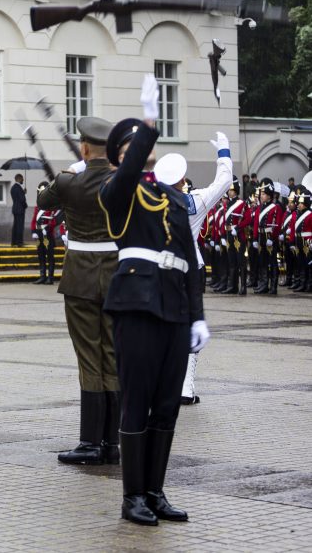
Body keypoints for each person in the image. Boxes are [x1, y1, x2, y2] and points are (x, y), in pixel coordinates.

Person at [99, 74, 209, 526]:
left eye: (142, 148)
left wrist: (198, 317)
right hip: (137, 305)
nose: (140, 156)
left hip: (174, 309)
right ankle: (132, 498)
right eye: (130, 152)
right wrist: (147, 123)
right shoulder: (117, 193)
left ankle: (155, 490)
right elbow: (125, 173)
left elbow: (193, 262)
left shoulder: (176, 200)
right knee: (137, 400)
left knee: (166, 404)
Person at [37, 116, 120, 467]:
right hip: (117, 277)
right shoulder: (123, 182)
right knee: (113, 356)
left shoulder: (69, 181)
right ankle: (112, 443)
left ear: (84, 147)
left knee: (89, 359)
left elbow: (43, 200)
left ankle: (90, 443)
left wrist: (67, 174)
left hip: (82, 279)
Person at [153, 133, 232, 408]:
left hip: (159, 270)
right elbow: (224, 184)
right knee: (189, 328)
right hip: (190, 269)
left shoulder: (150, 202)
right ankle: (185, 387)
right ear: (182, 179)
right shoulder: (194, 202)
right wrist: (223, 154)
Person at [253, 178, 284, 294]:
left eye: (264, 194)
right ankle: (264, 284)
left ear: (270, 196)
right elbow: (256, 224)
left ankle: (273, 286)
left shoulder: (276, 208)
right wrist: (255, 238)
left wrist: (272, 238)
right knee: (262, 261)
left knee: (272, 261)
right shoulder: (259, 208)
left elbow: (277, 225)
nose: (261, 196)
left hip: (270, 237)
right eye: (261, 193)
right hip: (261, 237)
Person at [221, 180, 249, 295]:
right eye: (229, 190)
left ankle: (243, 287)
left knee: (241, 262)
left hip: (238, 236)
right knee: (231, 262)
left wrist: (237, 228)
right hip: (228, 235)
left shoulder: (242, 204)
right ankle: (232, 286)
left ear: (236, 191)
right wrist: (223, 235)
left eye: (232, 190)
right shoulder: (226, 204)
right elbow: (224, 221)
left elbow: (247, 219)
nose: (230, 192)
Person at [31, 182, 58, 284]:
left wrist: (47, 228)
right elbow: (34, 220)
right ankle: (42, 276)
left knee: (49, 255)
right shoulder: (37, 207)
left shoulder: (52, 206)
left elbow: (54, 221)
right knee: (40, 254)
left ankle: (50, 277)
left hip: (47, 235)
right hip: (39, 235)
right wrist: (34, 231)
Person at [293, 188, 312, 292]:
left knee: (308, 262)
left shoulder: (310, 214)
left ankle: (309, 284)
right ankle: (302, 282)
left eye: (301, 203)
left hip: (307, 241)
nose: (298, 205)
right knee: (300, 262)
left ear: (306, 204)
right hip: (299, 240)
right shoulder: (299, 214)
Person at [10, 173, 27, 246]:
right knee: (20, 226)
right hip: (20, 210)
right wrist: (25, 205)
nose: (23, 180)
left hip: (15, 209)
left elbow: (16, 198)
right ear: (19, 179)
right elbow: (22, 199)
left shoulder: (13, 188)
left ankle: (14, 242)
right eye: (22, 179)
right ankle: (19, 242)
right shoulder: (18, 188)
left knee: (15, 226)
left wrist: (23, 192)